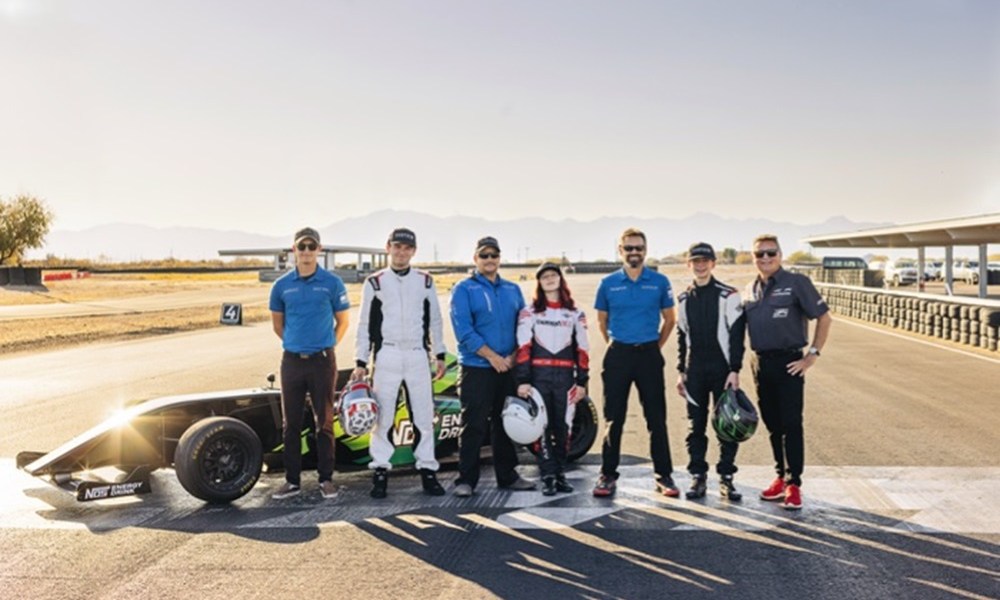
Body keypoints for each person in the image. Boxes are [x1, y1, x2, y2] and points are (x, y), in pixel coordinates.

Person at [352, 227, 448, 498]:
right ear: (388, 247)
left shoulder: (426, 281)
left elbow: (436, 321)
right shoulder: (375, 281)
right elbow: (364, 324)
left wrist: (439, 354)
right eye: (397, 247)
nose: (402, 252)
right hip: (388, 355)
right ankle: (381, 471)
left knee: (424, 416)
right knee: (383, 418)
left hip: (418, 354)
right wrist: (361, 360)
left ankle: (428, 471)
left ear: (413, 251)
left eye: (407, 248)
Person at [743, 234, 831, 510]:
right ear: (753, 258)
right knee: (772, 424)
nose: (765, 258)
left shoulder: (796, 284)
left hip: (789, 362)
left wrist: (812, 356)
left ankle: (794, 484)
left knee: (791, 425)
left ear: (780, 255)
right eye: (760, 254)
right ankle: (780, 477)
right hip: (759, 363)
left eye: (771, 253)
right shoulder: (749, 290)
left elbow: (824, 318)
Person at [593, 227, 679, 498]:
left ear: (645, 250)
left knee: (656, 418)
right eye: (628, 248)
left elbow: (670, 319)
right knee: (613, 418)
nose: (634, 252)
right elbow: (601, 321)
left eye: (638, 248)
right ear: (620, 251)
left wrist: (654, 345)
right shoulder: (607, 283)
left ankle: (664, 475)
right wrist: (617, 344)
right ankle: (607, 474)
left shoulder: (659, 281)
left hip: (649, 355)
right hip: (618, 354)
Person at [269, 227, 351, 500]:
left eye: (311, 246)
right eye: (301, 246)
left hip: (322, 362)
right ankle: (292, 481)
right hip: (292, 362)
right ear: (294, 250)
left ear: (319, 249)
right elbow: (278, 327)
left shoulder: (332, 283)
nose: (306, 251)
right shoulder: (281, 286)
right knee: (290, 424)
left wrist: (325, 347)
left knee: (324, 422)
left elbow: (343, 322)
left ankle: (326, 479)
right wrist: (298, 345)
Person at [449, 236, 535, 496]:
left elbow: (523, 325)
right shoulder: (464, 289)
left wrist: (511, 356)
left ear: (499, 259)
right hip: (477, 367)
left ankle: (507, 476)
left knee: (505, 422)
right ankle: (466, 479)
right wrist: (491, 357)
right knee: (473, 424)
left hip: (507, 366)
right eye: (484, 255)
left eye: (494, 255)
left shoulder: (512, 289)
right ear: (475, 259)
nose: (489, 260)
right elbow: (463, 330)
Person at [675, 242, 747, 501]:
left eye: (705, 260)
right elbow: (681, 335)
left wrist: (735, 370)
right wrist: (681, 370)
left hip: (722, 370)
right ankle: (698, 476)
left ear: (713, 263)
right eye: (696, 261)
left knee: (727, 426)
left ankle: (727, 478)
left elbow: (738, 336)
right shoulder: (683, 298)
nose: (701, 265)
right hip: (695, 371)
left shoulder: (728, 295)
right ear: (689, 264)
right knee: (696, 426)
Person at [514, 262, 590, 496]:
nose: (549, 279)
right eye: (544, 276)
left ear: (560, 279)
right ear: (539, 282)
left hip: (566, 378)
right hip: (539, 378)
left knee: (564, 427)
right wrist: (523, 379)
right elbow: (523, 347)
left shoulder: (576, 313)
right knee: (542, 428)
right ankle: (547, 475)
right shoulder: (529, 312)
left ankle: (560, 473)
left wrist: (582, 382)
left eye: (553, 275)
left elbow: (583, 349)